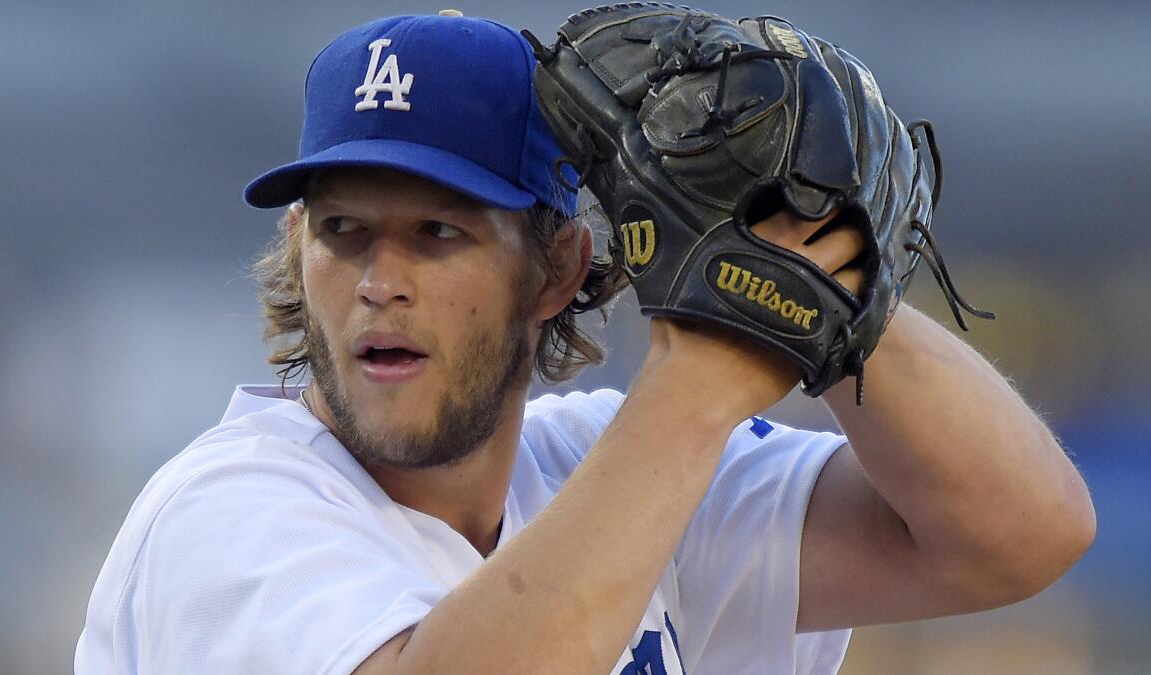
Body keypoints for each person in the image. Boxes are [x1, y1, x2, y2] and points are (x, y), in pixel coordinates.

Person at [75, 11, 1096, 674]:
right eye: (344, 232)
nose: (380, 282)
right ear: (299, 248)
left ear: (559, 267)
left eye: (439, 233)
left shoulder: (610, 467)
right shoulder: (225, 514)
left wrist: (826, 279)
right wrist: (701, 379)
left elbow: (1022, 535)